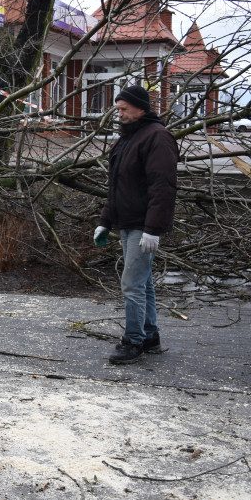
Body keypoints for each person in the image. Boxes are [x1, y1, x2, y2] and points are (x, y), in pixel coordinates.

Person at [94, 84, 178, 364]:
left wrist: (153, 229)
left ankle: (133, 342)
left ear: (141, 108)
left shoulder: (158, 137)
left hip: (144, 223)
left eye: (123, 109)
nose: (118, 113)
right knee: (143, 284)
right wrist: (105, 221)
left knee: (131, 284)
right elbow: (116, 185)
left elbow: (162, 187)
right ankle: (149, 335)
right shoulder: (127, 138)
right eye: (117, 109)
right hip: (127, 220)